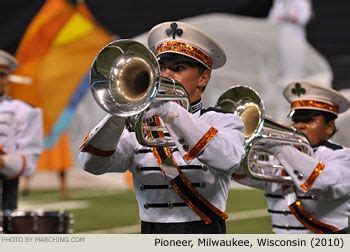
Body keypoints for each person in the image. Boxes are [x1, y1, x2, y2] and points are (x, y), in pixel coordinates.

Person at [78, 21, 245, 234]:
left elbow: (227, 161)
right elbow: (91, 163)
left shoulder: (222, 121)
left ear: (203, 77)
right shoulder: (139, 125)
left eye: (178, 68)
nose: (165, 75)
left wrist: (171, 111)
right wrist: (121, 109)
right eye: (162, 67)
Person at [233, 81, 350, 233]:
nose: (299, 126)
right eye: (296, 120)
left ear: (329, 127)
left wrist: (281, 149)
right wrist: (238, 147)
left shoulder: (342, 156)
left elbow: (323, 183)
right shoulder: (283, 155)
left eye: (309, 120)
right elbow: (245, 175)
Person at [0, 50, 43, 211]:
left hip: (4, 191)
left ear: (6, 78)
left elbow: (29, 164)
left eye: (0, 75)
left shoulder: (24, 111)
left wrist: (4, 161)